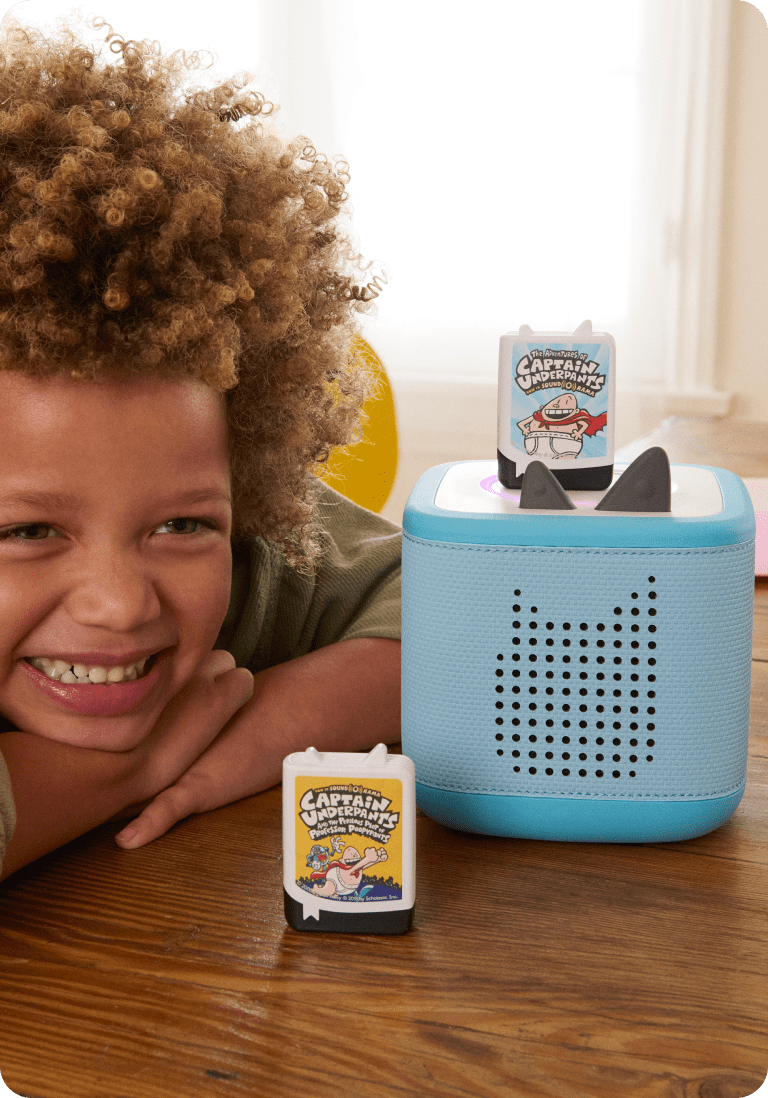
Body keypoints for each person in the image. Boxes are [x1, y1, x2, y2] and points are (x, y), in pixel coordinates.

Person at [0, 14, 401, 879]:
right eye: (27, 532)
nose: (118, 604)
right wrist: (128, 767)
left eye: (181, 526)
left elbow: (477, 612)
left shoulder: (257, 556)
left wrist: (263, 723)